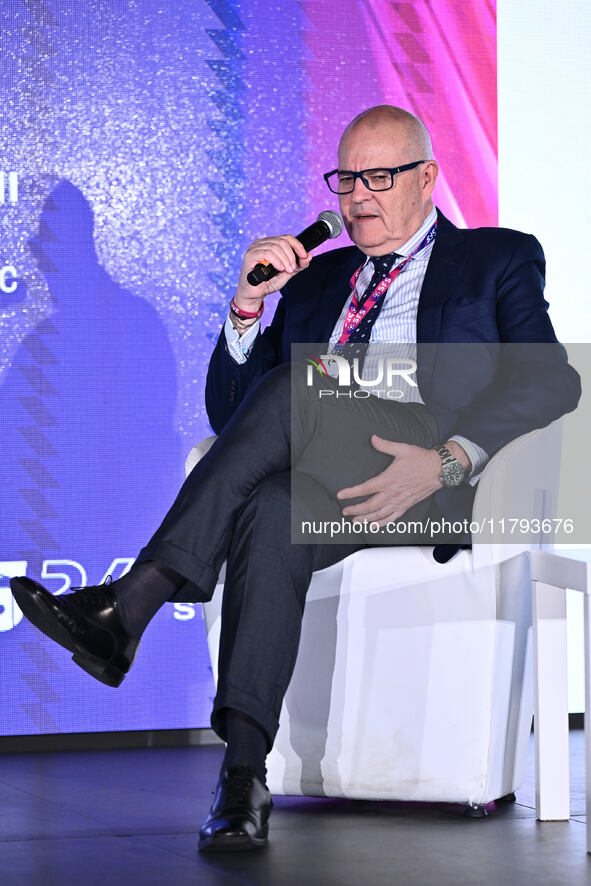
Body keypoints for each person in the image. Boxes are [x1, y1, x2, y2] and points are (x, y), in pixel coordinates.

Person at [10, 105, 580, 853]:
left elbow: (552, 382)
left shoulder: (494, 260)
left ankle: (132, 602)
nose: (358, 199)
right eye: (346, 180)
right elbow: (232, 416)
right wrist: (248, 305)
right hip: (323, 475)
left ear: (427, 178)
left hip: (422, 476)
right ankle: (243, 776)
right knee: (270, 509)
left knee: (293, 385)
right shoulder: (317, 281)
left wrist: (450, 459)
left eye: (379, 177)